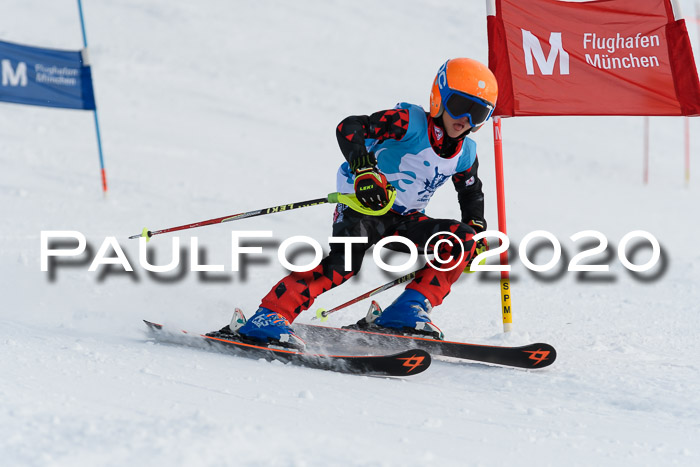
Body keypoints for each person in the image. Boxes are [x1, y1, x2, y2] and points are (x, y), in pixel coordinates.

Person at [224, 58, 497, 350]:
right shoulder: (408, 123)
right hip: (364, 207)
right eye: (459, 106)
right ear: (439, 97)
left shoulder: (466, 152)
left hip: (406, 221)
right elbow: (350, 127)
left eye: (478, 113)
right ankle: (269, 316)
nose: (466, 119)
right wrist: (364, 170)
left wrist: (477, 228)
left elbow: (470, 191)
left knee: (462, 240)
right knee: (342, 267)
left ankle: (406, 312)